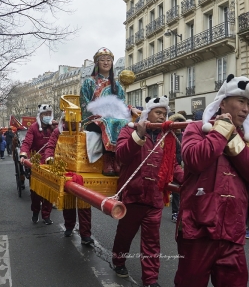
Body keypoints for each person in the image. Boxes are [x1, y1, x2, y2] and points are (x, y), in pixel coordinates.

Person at [174, 74, 249, 287]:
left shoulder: (248, 140)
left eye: (248, 103)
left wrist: (233, 139)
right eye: (241, 101)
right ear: (223, 102)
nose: (246, 108)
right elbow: (194, 160)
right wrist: (220, 131)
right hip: (197, 230)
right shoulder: (197, 128)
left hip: (233, 233)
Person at [112, 96, 184, 287]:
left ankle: (150, 280)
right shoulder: (129, 129)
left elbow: (172, 165)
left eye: (164, 113)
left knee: (152, 243)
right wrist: (139, 136)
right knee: (125, 235)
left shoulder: (166, 136)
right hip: (131, 197)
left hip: (154, 199)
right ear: (148, 113)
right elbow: (121, 156)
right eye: (158, 113)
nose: (162, 117)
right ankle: (118, 261)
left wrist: (189, 180)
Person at [80, 47, 140, 176]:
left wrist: (129, 109)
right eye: (102, 60)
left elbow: (121, 103)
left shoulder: (116, 84)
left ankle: (117, 157)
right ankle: (108, 159)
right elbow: (85, 104)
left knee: (124, 122)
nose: (106, 62)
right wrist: (96, 113)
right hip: (93, 119)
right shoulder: (89, 82)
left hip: (113, 118)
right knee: (108, 121)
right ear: (97, 63)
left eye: (109, 60)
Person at [44, 112, 94, 245]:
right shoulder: (57, 132)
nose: (72, 123)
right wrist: (50, 158)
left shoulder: (83, 132)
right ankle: (69, 226)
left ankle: (85, 234)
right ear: (64, 121)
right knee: (68, 202)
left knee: (84, 204)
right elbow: (50, 146)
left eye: (74, 121)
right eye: (69, 121)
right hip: (65, 171)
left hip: (82, 172)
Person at [20, 104, 54, 225]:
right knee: (36, 192)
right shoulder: (33, 128)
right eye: (45, 114)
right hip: (36, 162)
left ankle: (46, 215)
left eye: (49, 114)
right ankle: (35, 211)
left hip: (50, 162)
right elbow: (27, 142)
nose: (47, 116)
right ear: (40, 115)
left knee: (49, 190)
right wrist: (23, 154)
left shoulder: (53, 128)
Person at [168, 112, 186, 223]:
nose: (178, 125)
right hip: (170, 165)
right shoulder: (169, 136)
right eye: (176, 122)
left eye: (180, 123)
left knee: (179, 190)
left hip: (181, 166)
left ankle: (179, 212)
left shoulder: (185, 136)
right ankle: (175, 212)